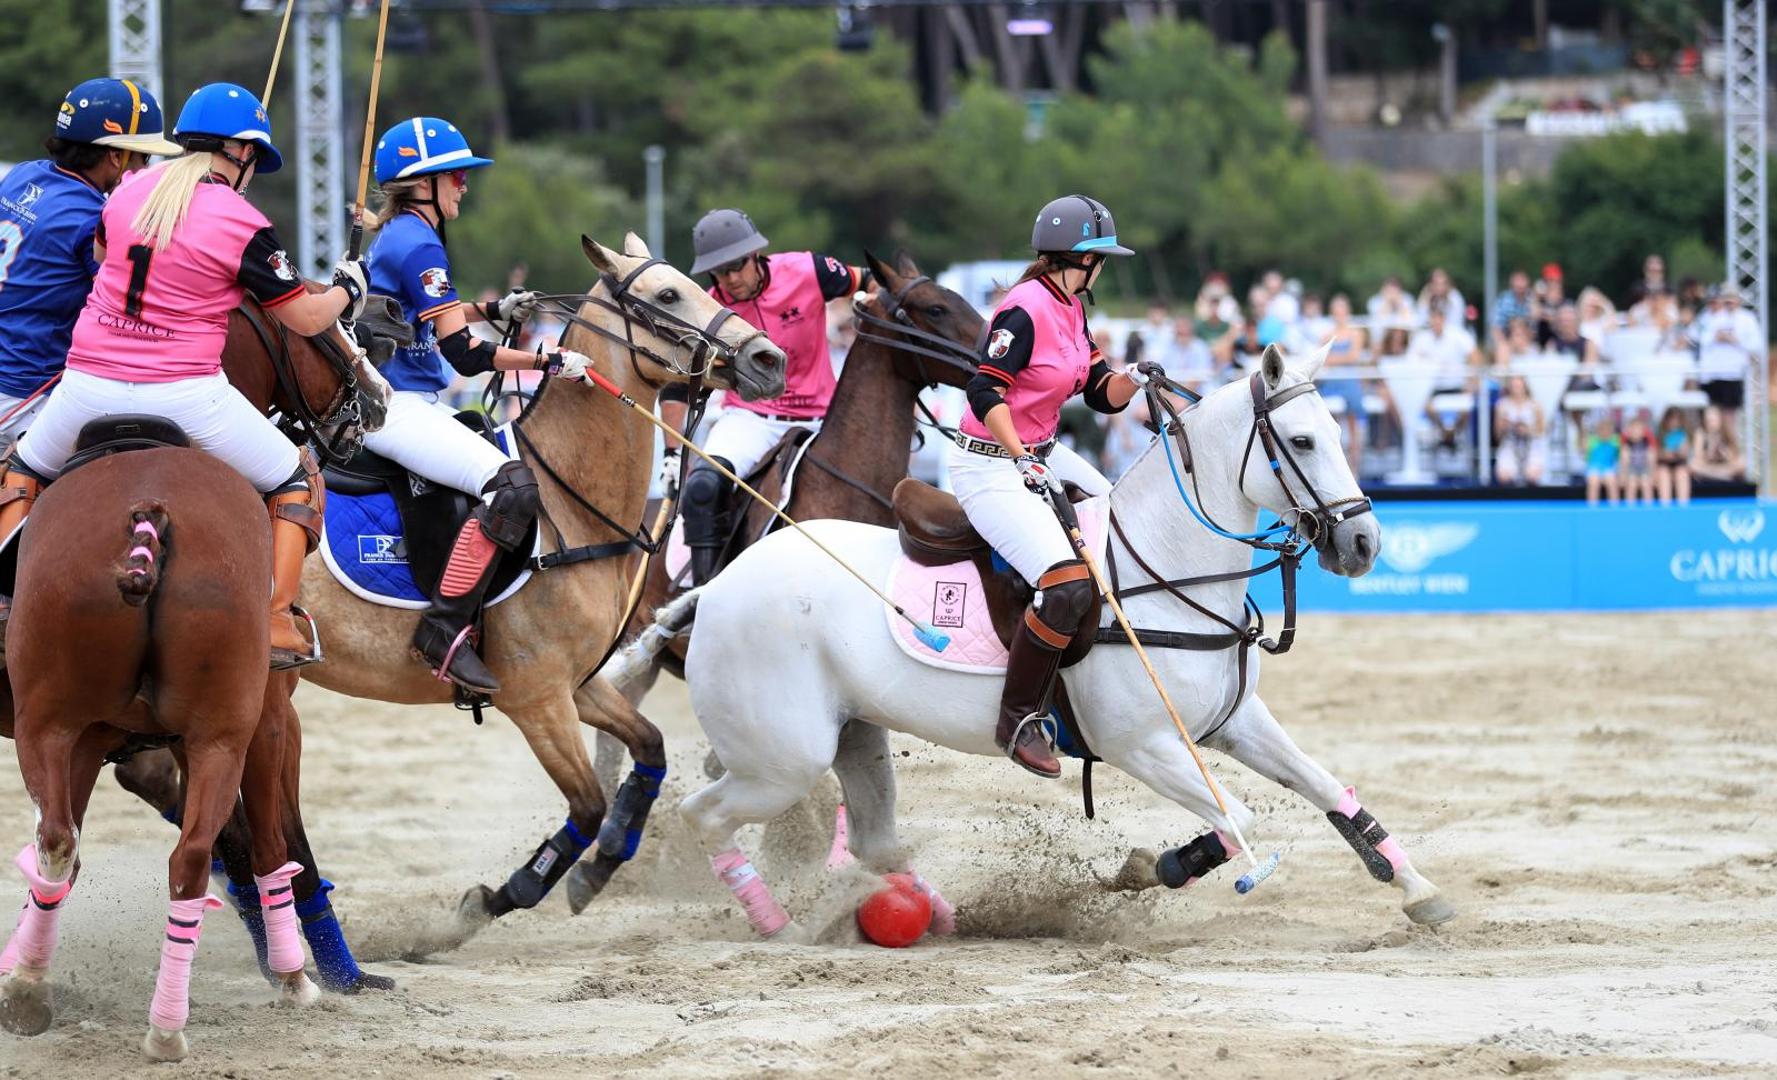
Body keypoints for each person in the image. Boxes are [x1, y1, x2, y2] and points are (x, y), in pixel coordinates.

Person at [0, 83, 364, 667]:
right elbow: (304, 318)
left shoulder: (127, 192)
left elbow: (102, 259)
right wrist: (350, 287)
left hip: (85, 385)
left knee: (22, 469)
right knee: (297, 479)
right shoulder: (243, 219)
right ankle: (275, 620)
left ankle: (6, 604)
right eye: (254, 159)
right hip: (186, 393)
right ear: (241, 151)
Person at [362, 116, 594, 694]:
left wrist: (491, 310)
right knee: (510, 486)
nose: (465, 185)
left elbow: (429, 315)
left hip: (405, 398)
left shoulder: (404, 235)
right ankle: (441, 631)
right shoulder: (418, 242)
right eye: (457, 176)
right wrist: (548, 362)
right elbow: (464, 357)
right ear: (425, 184)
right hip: (394, 404)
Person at [955, 194, 1144, 778]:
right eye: (1101, 256)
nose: (1104, 267)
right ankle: (1017, 719)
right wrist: (1022, 459)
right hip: (990, 463)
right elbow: (983, 393)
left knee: (1120, 514)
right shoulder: (1024, 310)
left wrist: (1134, 377)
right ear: (1078, 257)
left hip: (1039, 451)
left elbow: (1096, 390)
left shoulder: (1071, 308)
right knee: (1063, 584)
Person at [666, 208, 869, 585]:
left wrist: (871, 309)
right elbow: (677, 386)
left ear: (755, 255)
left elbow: (870, 282)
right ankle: (703, 599)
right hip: (751, 419)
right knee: (703, 486)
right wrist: (670, 454)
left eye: (737, 266)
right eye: (720, 271)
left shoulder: (809, 271)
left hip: (821, 418)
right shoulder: (708, 311)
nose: (730, 279)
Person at [0, 78, 181, 440]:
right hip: (24, 394)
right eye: (144, 158)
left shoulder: (23, 174)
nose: (145, 169)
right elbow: (139, 306)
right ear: (116, 156)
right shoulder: (91, 218)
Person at [1319, 294, 1368, 474]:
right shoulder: (1326, 335)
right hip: (1332, 382)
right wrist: (1338, 360)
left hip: (1349, 381)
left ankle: (1354, 466)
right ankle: (1334, 467)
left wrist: (1332, 359)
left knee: (1353, 420)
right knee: (1329, 424)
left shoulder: (1356, 333)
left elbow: (1353, 356)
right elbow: (1322, 359)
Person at [1493, 375, 1546, 486]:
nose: (1516, 389)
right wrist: (1505, 426)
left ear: (1525, 386)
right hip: (1510, 445)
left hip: (1531, 446)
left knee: (1532, 475)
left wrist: (1527, 430)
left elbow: (1542, 431)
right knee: (1504, 476)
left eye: (1519, 385)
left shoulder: (1535, 405)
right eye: (1514, 386)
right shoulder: (1502, 405)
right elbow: (1497, 436)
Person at [1689, 404, 1745, 484]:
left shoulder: (1727, 433)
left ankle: (1720, 475)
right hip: (1708, 467)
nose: (1711, 423)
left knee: (1741, 463)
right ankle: (1722, 477)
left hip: (1724, 467)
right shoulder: (1701, 434)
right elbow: (1697, 459)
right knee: (1693, 466)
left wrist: (1725, 454)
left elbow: (1735, 457)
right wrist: (1709, 453)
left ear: (1720, 419)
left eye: (1713, 419)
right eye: (1709, 420)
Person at [1654, 407, 1691, 506]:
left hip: (1679, 463)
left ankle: (1683, 508)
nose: (1674, 422)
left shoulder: (1683, 435)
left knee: (1682, 473)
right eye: (1671, 419)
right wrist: (1664, 454)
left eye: (1677, 420)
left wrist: (1680, 452)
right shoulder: (1660, 434)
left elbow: (1686, 454)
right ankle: (1665, 508)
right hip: (1663, 464)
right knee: (1663, 474)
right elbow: (1656, 453)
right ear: (1666, 420)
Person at [1584, 415, 1622, 506]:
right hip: (1593, 468)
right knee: (1594, 482)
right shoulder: (1592, 441)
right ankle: (1592, 507)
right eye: (1602, 430)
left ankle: (1614, 507)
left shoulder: (1616, 441)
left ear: (1612, 432)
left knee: (1612, 482)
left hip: (1609, 469)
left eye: (1608, 430)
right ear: (1598, 431)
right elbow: (1585, 454)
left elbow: (1619, 457)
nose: (1605, 433)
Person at [1619, 410, 1655, 505]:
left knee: (1645, 483)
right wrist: (1623, 476)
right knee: (1632, 483)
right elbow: (1624, 462)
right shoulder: (1626, 445)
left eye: (1639, 429)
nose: (1636, 432)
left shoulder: (1647, 443)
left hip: (1644, 469)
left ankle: (1649, 506)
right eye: (1633, 429)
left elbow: (1651, 460)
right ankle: (1629, 507)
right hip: (1631, 469)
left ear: (1643, 431)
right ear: (1629, 431)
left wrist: (1652, 475)